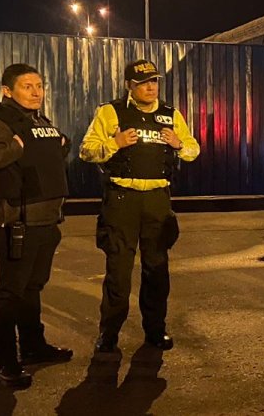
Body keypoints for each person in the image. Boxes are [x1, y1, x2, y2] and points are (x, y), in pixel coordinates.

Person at [0, 63, 74, 389]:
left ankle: (33, 346)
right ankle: (4, 359)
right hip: (15, 222)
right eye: (28, 86)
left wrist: (62, 144)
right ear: (7, 91)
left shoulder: (39, 120)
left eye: (40, 85)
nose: (36, 92)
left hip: (46, 219)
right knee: (11, 292)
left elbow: (50, 153)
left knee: (32, 289)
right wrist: (13, 148)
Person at [80, 59, 200, 354]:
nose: (150, 87)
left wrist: (178, 144)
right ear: (129, 86)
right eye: (143, 83)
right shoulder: (111, 112)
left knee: (157, 271)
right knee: (118, 273)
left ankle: (156, 331)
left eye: (154, 81)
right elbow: (86, 151)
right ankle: (109, 333)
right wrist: (115, 143)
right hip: (122, 200)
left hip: (157, 201)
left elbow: (193, 150)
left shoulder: (171, 114)